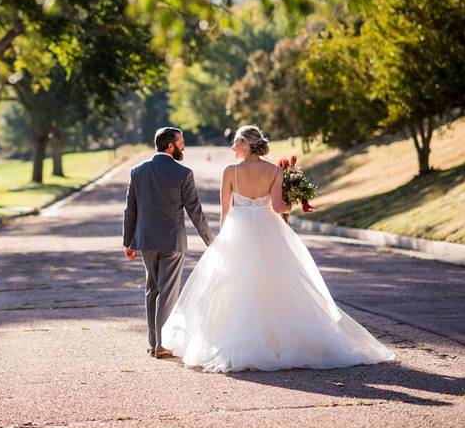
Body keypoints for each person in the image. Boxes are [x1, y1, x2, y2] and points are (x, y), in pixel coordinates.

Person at [160, 125, 396, 372]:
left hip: (238, 231)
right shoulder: (274, 170)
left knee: (238, 285)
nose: (232, 147)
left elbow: (225, 211)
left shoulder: (230, 171)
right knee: (278, 282)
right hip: (269, 229)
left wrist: (223, 240)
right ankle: (279, 342)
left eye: (235, 143)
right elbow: (279, 207)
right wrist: (292, 199)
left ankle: (243, 343)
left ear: (246, 145)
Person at [123, 126, 215, 359]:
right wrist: (211, 242)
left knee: (152, 289)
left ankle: (154, 342)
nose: (184, 145)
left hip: (145, 241)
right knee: (167, 293)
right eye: (181, 141)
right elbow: (196, 212)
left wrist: (128, 242)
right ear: (170, 145)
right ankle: (162, 344)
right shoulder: (183, 174)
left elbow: (130, 209)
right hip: (172, 241)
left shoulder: (138, 171)